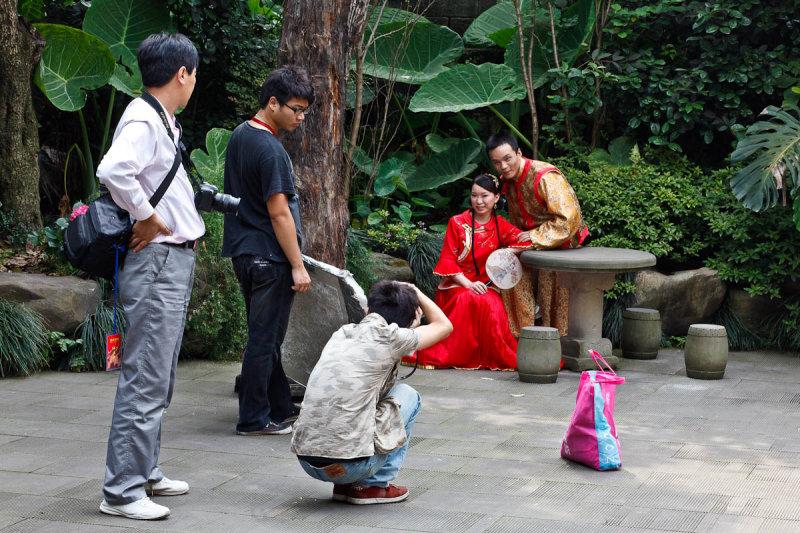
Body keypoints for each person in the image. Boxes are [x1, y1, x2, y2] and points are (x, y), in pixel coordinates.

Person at [97, 32, 203, 520]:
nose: (194, 82)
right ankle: (121, 491)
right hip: (158, 260)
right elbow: (114, 170)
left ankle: (145, 470)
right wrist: (144, 214)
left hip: (170, 258)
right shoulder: (143, 118)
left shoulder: (162, 119)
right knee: (145, 376)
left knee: (159, 373)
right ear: (182, 74)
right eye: (194, 75)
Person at [291, 281, 452, 505]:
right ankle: (373, 486)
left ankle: (347, 485)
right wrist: (415, 292)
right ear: (409, 322)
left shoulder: (342, 333)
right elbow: (444, 326)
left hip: (309, 463)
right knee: (408, 395)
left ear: (368, 311)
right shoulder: (393, 338)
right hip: (351, 466)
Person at [222, 65, 315, 436]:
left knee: (267, 335)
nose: (301, 117)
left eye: (305, 110)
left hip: (245, 252)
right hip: (269, 256)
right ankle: (253, 419)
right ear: (273, 103)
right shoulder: (270, 149)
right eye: (295, 109)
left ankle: (279, 406)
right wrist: (297, 265)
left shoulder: (241, 135)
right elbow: (279, 212)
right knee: (264, 339)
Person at [404, 174, 531, 370]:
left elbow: (526, 242)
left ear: (497, 198)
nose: (479, 201)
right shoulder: (457, 222)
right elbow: (448, 260)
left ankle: (489, 356)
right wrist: (468, 284)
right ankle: (452, 355)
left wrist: (507, 251)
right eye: (474, 195)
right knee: (467, 299)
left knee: (491, 303)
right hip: (457, 285)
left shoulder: (500, 225)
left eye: (485, 196)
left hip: (487, 287)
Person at [486, 132, 588, 337]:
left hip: (562, 238)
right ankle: (519, 333)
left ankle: (554, 337)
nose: (503, 167)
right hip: (529, 237)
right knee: (506, 264)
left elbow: (569, 220)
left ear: (519, 153)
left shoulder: (545, 176)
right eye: (497, 163)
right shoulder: (506, 180)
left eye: (507, 159)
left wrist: (534, 238)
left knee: (549, 280)